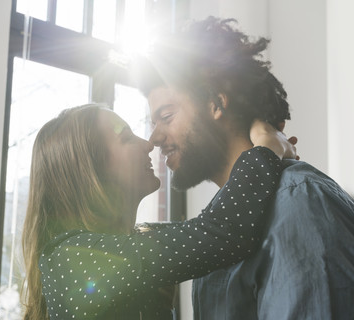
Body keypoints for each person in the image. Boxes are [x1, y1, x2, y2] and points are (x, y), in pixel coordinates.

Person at [136, 16, 354, 319]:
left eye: (167, 116)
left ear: (215, 104)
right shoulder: (218, 223)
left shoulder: (297, 201)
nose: (155, 137)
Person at [21, 103, 297, 320]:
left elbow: (211, 225)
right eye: (127, 138)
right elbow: (222, 231)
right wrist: (268, 144)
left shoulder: (138, 239)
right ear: (90, 170)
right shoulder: (68, 259)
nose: (147, 143)